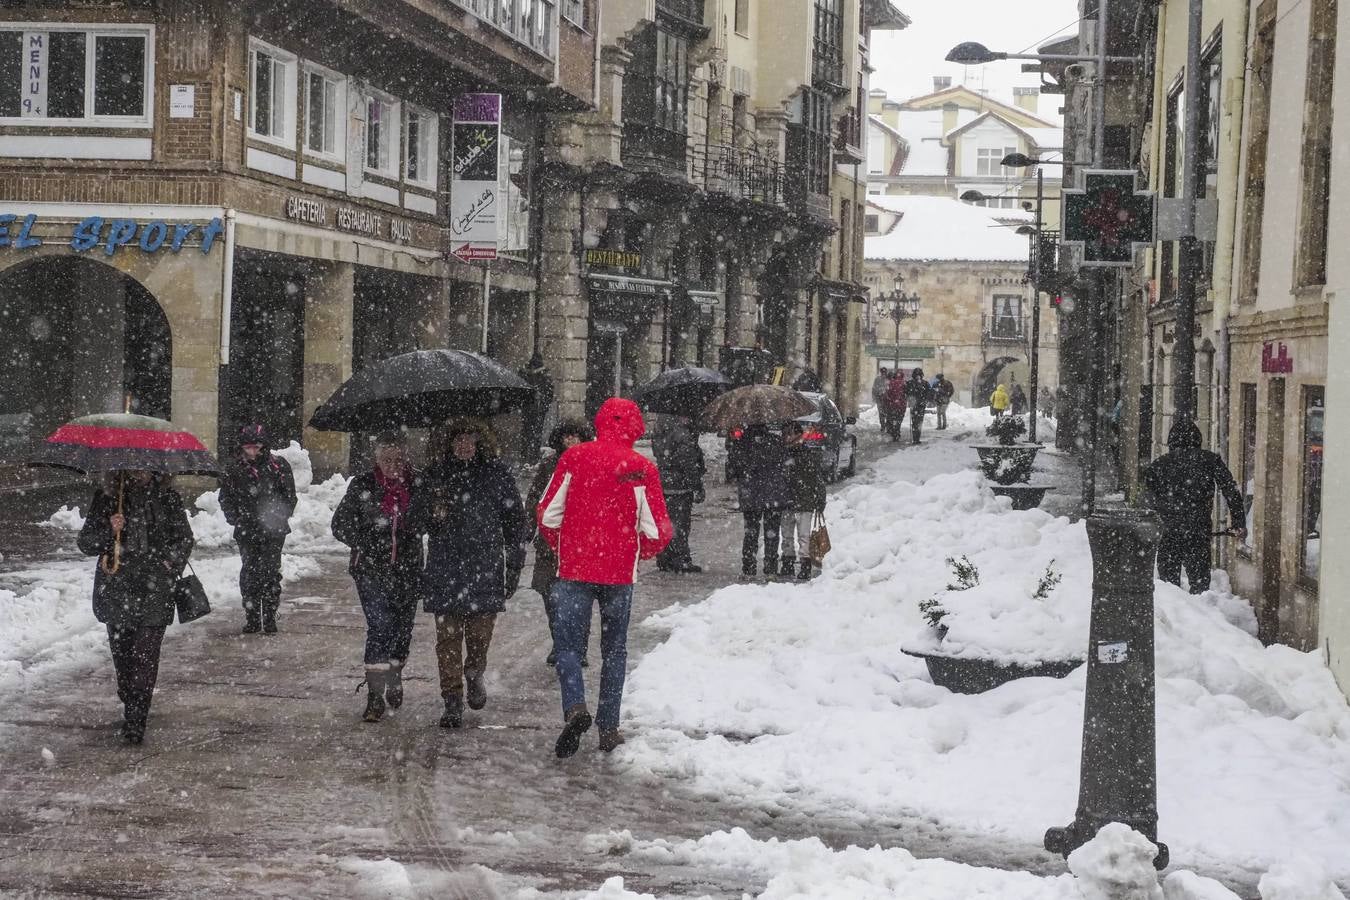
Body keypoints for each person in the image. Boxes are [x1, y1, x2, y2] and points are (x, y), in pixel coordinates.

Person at [537, 397, 672, 758]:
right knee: (614, 650)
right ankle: (608, 727)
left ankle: (575, 706)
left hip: (575, 568)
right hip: (618, 574)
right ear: (635, 426)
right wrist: (638, 552)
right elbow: (658, 531)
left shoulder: (573, 458)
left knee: (568, 647)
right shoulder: (641, 468)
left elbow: (548, 514)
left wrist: (564, 546)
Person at [417, 419, 526, 729]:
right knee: (447, 640)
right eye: (458, 440)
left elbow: (515, 522)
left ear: (480, 443)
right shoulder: (436, 475)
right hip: (445, 567)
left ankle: (475, 671)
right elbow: (416, 521)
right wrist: (433, 512)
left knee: (479, 636)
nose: (464, 445)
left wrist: (515, 563)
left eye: (470, 439)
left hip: (485, 567)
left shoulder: (496, 475)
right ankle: (451, 699)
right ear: (449, 444)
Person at [78, 470, 195, 744]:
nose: (139, 471)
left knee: (146, 652)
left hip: (155, 587)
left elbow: (184, 538)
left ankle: (136, 717)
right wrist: (110, 529)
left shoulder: (168, 498)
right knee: (123, 654)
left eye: (145, 467)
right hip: (117, 586)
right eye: (133, 467)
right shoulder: (108, 498)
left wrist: (170, 563)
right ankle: (130, 697)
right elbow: (86, 543)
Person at [331, 432, 424, 723]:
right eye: (386, 460)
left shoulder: (417, 484)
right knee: (380, 625)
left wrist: (419, 523)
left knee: (402, 628)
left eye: (398, 459)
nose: (393, 465)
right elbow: (339, 525)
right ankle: (374, 696)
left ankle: (395, 673)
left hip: (407, 570)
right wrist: (367, 540)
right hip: (370, 569)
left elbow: (429, 520)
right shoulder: (363, 485)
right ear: (377, 460)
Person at [1143, 420, 1246, 594]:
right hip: (1198, 529)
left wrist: (1152, 526)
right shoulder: (1210, 460)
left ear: (1171, 441)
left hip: (1168, 531)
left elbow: (1147, 501)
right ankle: (1200, 612)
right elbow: (1230, 490)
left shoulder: (1159, 464)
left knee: (1169, 587)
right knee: (1200, 587)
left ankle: (1177, 614)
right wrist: (1238, 521)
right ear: (1197, 439)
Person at [525, 419, 595, 667]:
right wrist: (528, 525)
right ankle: (561, 642)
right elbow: (535, 497)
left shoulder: (591, 464)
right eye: (567, 436)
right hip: (550, 544)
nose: (571, 441)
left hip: (579, 544)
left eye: (576, 436)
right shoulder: (550, 466)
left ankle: (578, 647)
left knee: (579, 600)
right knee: (551, 597)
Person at [219, 424, 297, 634]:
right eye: (248, 447)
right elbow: (225, 497)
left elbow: (290, 496)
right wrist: (236, 518)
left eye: (256, 447)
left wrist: (278, 517)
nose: (252, 451)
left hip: (274, 530)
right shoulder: (234, 469)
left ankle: (269, 617)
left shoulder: (278, 466)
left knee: (270, 572)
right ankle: (252, 617)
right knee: (249, 573)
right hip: (247, 530)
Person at [652, 414, 706, 575]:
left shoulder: (659, 429)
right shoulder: (682, 433)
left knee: (666, 522)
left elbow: (658, 453)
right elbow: (688, 462)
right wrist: (697, 485)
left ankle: (664, 557)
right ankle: (680, 559)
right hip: (679, 484)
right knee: (680, 524)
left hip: (663, 481)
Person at [736, 422, 791, 579]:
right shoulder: (776, 441)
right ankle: (771, 569)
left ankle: (748, 569)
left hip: (751, 496)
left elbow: (735, 467)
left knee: (751, 533)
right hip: (773, 495)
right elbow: (785, 463)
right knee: (771, 533)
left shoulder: (743, 443)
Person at [780, 423, 826, 581]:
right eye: (786, 434)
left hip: (802, 501)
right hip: (788, 501)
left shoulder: (805, 455)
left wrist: (820, 499)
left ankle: (803, 565)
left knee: (803, 536)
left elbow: (817, 479)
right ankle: (788, 563)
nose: (788, 437)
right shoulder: (784, 455)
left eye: (790, 434)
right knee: (787, 535)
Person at [520, 353, 555, 462]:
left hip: (527, 408)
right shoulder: (545, 374)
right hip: (538, 409)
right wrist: (545, 406)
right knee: (536, 433)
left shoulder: (524, 373)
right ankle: (533, 457)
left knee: (526, 432)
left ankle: (525, 456)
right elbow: (550, 392)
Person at [906, 367, 934, 445]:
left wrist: (925, 401)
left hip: (919, 405)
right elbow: (907, 393)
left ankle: (916, 438)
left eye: (919, 375)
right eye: (917, 375)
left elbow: (929, 393)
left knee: (917, 422)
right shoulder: (912, 383)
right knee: (916, 422)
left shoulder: (923, 383)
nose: (918, 376)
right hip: (916, 405)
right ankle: (916, 438)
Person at [882, 371, 908, 442]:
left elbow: (886, 394)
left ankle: (893, 431)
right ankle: (897, 431)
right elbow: (907, 394)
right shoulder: (904, 383)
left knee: (892, 418)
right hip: (901, 406)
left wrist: (886, 403)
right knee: (899, 420)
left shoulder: (890, 383)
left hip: (892, 405)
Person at [871, 368, 891, 433]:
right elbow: (874, 389)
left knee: (884, 413)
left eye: (884, 372)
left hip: (884, 399)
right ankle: (883, 425)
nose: (883, 374)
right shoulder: (879, 379)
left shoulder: (883, 379)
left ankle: (884, 425)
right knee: (883, 413)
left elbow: (874, 389)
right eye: (883, 372)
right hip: (881, 399)